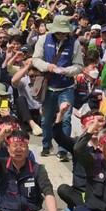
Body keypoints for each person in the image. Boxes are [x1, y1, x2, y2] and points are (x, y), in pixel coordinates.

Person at [32, 15, 83, 160]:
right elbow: (35, 59)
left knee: (66, 118)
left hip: (66, 86)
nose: (60, 34)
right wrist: (47, 66)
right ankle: (46, 145)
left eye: (63, 32)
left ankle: (63, 148)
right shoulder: (43, 39)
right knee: (46, 118)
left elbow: (79, 66)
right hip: (48, 85)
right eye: (58, 32)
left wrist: (66, 70)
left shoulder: (75, 43)